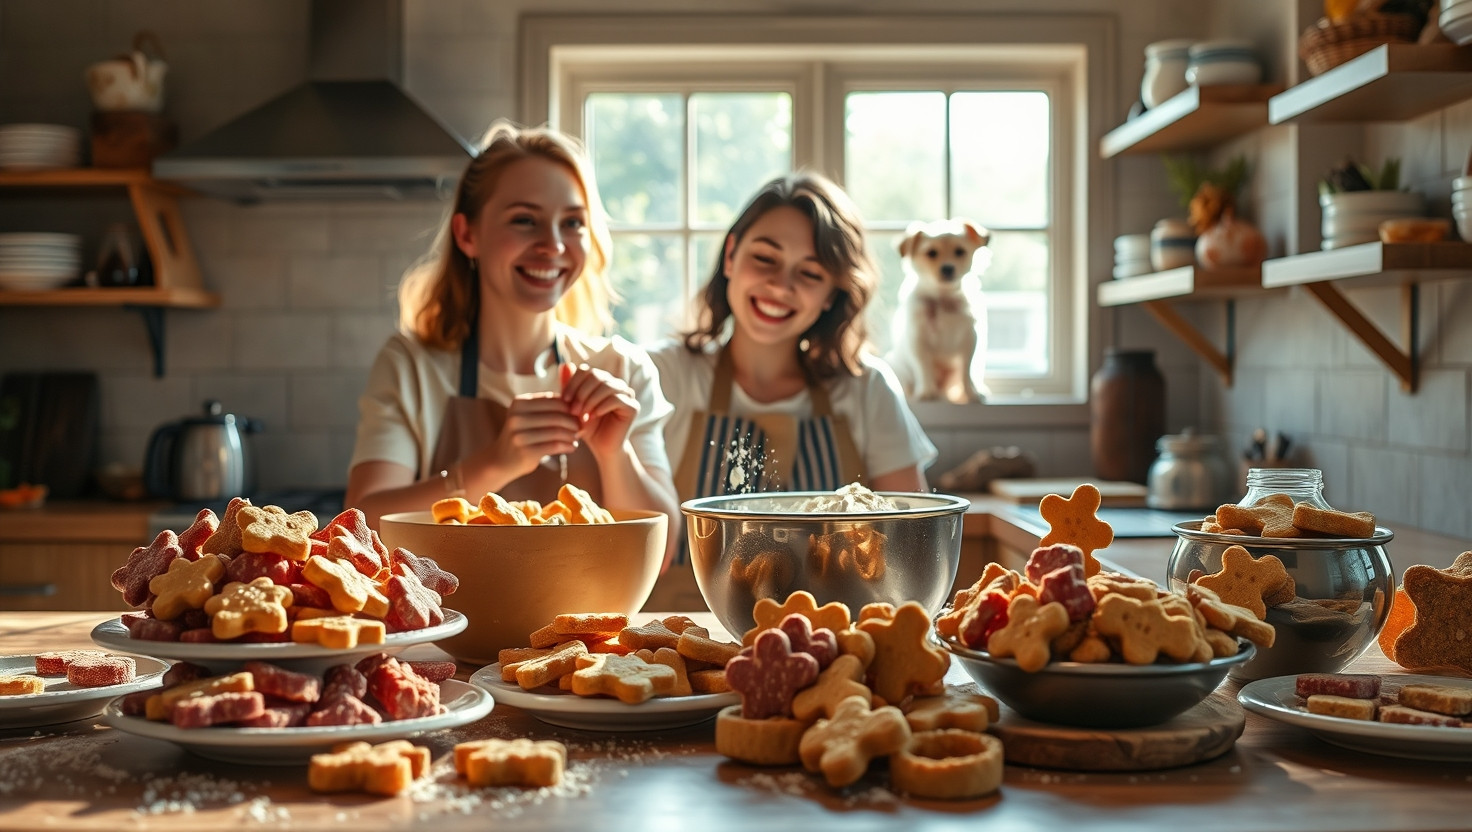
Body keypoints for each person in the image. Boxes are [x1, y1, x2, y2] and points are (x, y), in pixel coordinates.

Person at [345, 121, 678, 554]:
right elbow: (360, 525)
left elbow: (666, 547)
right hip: (453, 620)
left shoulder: (623, 370)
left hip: (587, 623)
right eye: (525, 220)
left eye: (573, 222)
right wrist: (492, 465)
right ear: (468, 235)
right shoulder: (411, 365)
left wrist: (616, 454)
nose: (553, 245)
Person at [645, 171, 937, 608]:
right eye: (765, 258)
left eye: (810, 273)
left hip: (834, 639)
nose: (782, 286)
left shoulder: (867, 389)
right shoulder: (666, 375)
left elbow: (910, 544)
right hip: (684, 641)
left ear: (832, 295)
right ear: (730, 257)